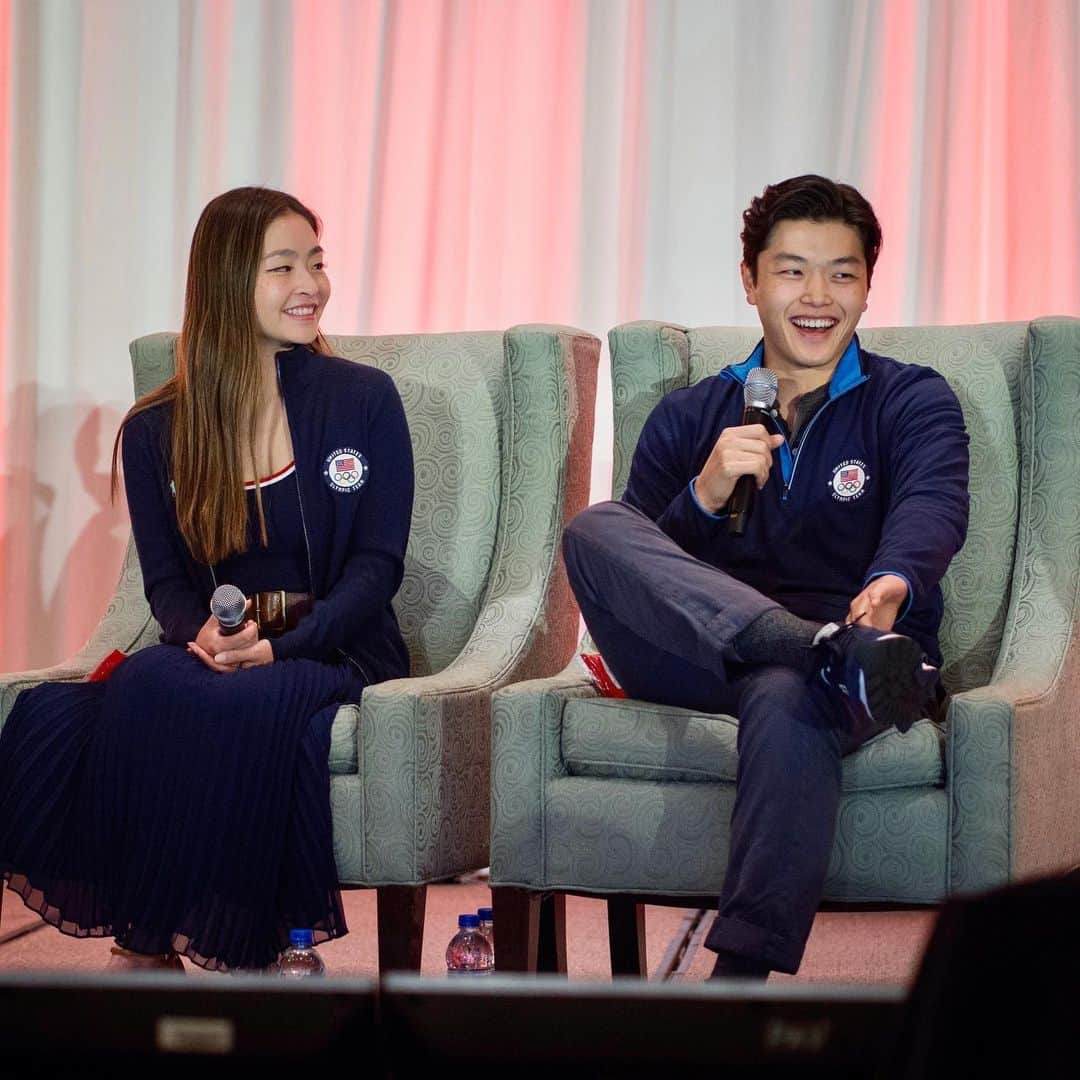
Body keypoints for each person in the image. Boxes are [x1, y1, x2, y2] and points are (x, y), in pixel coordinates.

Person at [563, 174, 969, 979]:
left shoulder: (910, 399)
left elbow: (933, 507)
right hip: (705, 656)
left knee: (789, 694)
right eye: (791, 270)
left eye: (841, 273)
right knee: (595, 526)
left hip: (868, 657)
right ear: (749, 280)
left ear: (866, 287)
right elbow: (632, 568)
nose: (817, 295)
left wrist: (892, 584)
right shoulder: (689, 415)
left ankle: (739, 983)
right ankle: (815, 646)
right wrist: (704, 500)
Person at [0, 186, 414, 972]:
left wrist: (288, 648)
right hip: (215, 649)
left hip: (336, 646)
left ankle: (234, 950)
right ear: (227, 281)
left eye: (317, 264)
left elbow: (376, 569)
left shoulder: (363, 400)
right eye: (283, 267)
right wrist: (202, 636)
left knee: (254, 703)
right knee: (141, 688)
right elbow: (165, 586)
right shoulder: (157, 431)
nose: (312, 285)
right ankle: (148, 938)